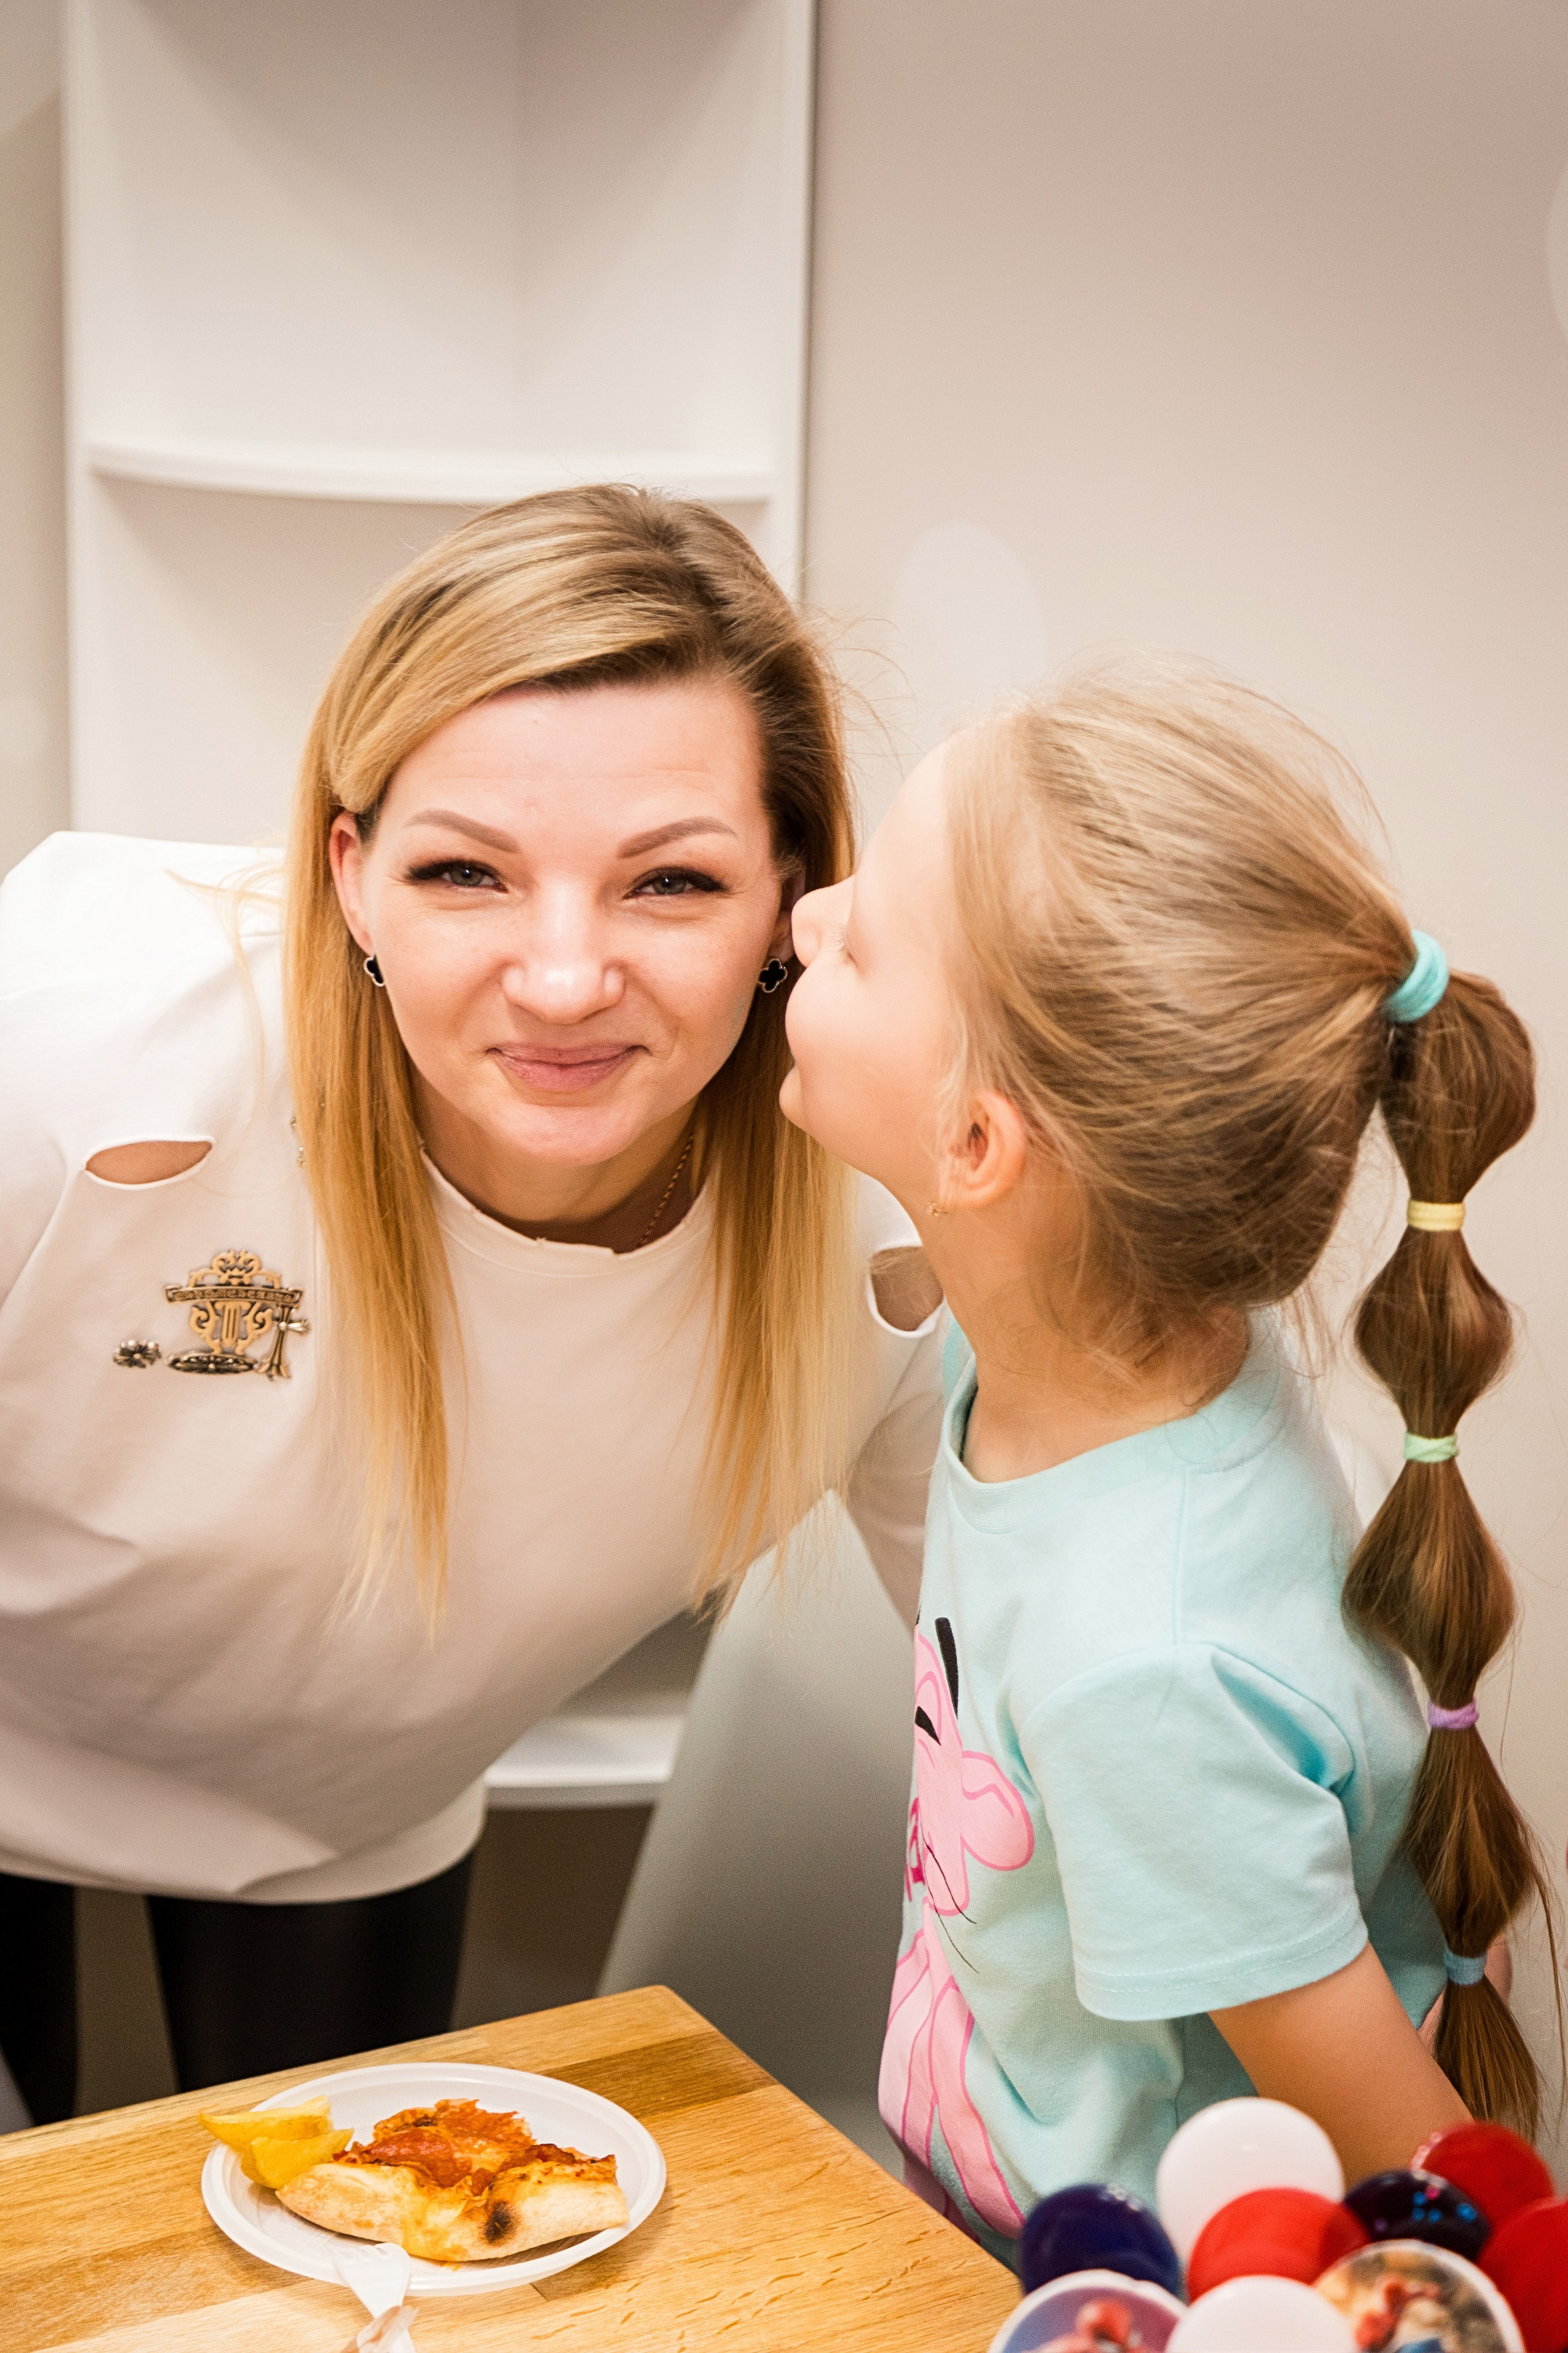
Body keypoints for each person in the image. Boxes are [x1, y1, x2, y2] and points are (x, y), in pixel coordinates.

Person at [0, 486, 945, 2123]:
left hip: (350, 1815)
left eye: (668, 885)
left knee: (355, 2276)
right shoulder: (82, 1046)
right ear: (352, 875)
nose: (566, 978)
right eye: (467, 873)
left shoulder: (879, 1232)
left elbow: (1032, 1688)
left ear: (793, 891)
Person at [780, 661, 1555, 2255]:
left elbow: (1432, 2174)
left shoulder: (1141, 1669)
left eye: (855, 942)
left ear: (980, 1145)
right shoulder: (1120, 1340)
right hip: (981, 2215)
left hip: (1138, 2290)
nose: (804, 921)